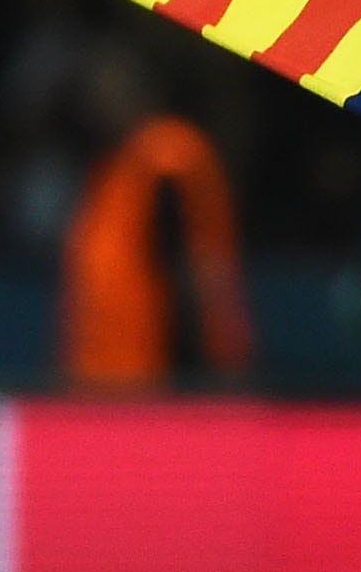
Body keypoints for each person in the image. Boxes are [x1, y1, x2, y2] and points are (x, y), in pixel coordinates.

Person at [56, 42, 254, 390]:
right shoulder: (113, 164)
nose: (102, 103)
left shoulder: (171, 155)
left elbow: (198, 266)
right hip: (103, 376)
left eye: (114, 88)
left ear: (143, 89)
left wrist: (209, 370)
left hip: (157, 375)